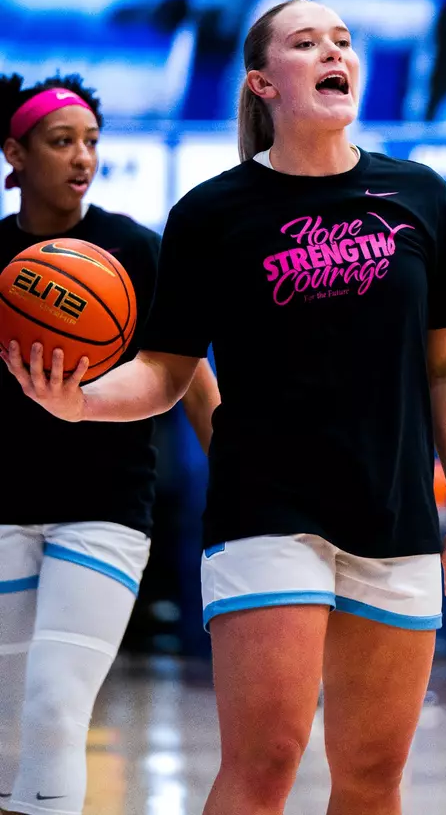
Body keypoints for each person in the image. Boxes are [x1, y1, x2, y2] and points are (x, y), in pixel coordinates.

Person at [3, 0, 446, 815]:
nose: (334, 52)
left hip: (397, 514)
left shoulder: (419, 195)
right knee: (265, 763)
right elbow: (162, 373)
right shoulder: (211, 215)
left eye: (342, 41)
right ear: (264, 83)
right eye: (307, 43)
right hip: (266, 512)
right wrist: (77, 401)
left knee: (373, 779)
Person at [0, 72, 220, 815]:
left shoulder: (134, 249)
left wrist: (237, 472)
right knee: (6, 721)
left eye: (92, 142)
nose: (82, 157)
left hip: (106, 507)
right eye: (61, 142)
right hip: (2, 507)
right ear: (15, 154)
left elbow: (189, 377)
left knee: (57, 699)